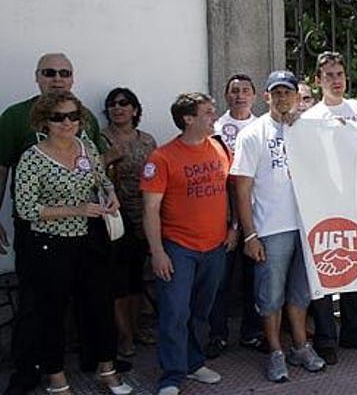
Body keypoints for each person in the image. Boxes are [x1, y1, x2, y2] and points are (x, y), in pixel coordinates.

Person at [0, 53, 111, 395]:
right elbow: (2, 169)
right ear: (37, 77)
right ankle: (28, 371)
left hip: (86, 229)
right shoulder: (15, 117)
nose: (57, 78)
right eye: (50, 72)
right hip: (39, 232)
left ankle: (93, 362)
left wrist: (107, 196)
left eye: (65, 73)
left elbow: (96, 166)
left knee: (89, 298)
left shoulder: (86, 119)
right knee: (37, 303)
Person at [14, 91, 131, 395]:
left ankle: (107, 369)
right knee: (51, 312)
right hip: (51, 244)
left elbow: (100, 179)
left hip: (90, 239)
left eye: (73, 116)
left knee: (98, 305)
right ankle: (56, 379)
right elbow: (27, 209)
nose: (67, 123)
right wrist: (76, 209)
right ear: (45, 121)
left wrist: (110, 194)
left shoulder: (87, 147)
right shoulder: (32, 158)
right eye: (58, 117)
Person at [232, 70, 325, 382]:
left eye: (289, 92)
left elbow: (343, 136)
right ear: (267, 96)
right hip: (271, 228)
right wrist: (250, 234)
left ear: (298, 98)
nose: (283, 98)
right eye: (277, 92)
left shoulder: (308, 129)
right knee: (270, 296)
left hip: (307, 226)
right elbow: (241, 189)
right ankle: (275, 351)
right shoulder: (252, 134)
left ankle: (300, 345)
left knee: (301, 293)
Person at [142, 93, 232, 395]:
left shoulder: (219, 148)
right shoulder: (162, 157)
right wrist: (157, 252)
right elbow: (151, 209)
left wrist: (233, 227)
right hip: (179, 248)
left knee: (200, 311)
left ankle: (194, 363)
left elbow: (229, 190)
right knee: (175, 312)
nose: (214, 116)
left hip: (216, 246)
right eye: (207, 112)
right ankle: (172, 375)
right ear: (188, 119)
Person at [301, 52, 357, 364]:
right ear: (318, 81)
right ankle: (327, 337)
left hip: (354, 201)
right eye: (328, 75)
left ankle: (354, 331)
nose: (336, 80)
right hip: (322, 203)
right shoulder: (310, 117)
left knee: (355, 264)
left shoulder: (356, 108)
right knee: (326, 269)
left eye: (339, 74)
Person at [207, 74, 264, 359]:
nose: (240, 95)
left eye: (245, 91)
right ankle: (217, 335)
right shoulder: (214, 129)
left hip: (257, 216)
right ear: (226, 96)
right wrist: (233, 223)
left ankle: (252, 333)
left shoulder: (262, 128)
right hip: (223, 217)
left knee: (255, 279)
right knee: (220, 280)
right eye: (234, 91)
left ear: (254, 96)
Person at [101, 88, 158, 357]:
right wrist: (107, 158)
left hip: (143, 216)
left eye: (124, 103)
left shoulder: (147, 141)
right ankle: (123, 335)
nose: (118, 108)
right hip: (113, 218)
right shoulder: (99, 138)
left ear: (135, 109)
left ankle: (137, 329)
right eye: (112, 104)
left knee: (137, 277)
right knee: (117, 280)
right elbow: (86, 172)